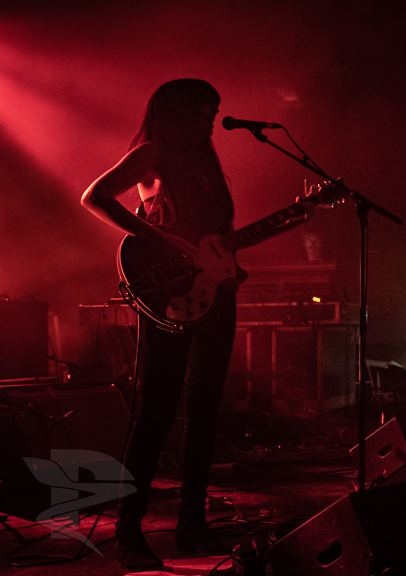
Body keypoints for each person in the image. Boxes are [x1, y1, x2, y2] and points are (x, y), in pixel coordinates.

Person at [81, 78, 236, 570]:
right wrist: (161, 239)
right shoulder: (153, 154)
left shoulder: (205, 162)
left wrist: (227, 264)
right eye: (205, 110)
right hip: (168, 295)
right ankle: (128, 532)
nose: (212, 118)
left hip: (215, 295)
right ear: (179, 111)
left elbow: (214, 237)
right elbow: (95, 196)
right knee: (156, 411)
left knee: (204, 410)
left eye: (214, 111)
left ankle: (193, 526)